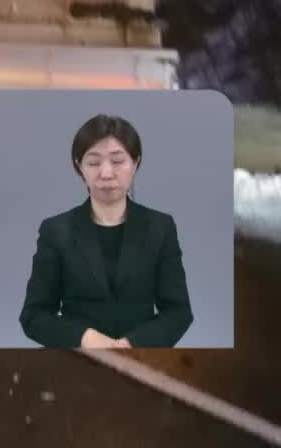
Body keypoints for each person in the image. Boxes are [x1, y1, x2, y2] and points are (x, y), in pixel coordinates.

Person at [18, 114, 193, 349]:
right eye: (93, 162)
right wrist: (85, 338)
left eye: (118, 161)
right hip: (77, 358)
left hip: (143, 358)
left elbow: (178, 312)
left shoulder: (160, 228)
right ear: (79, 166)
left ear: (136, 163)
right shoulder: (55, 230)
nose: (107, 173)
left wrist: (132, 344)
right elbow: (33, 316)